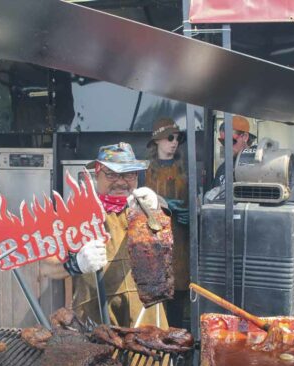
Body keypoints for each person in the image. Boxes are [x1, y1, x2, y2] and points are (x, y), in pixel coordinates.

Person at [40, 142, 169, 329]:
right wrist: (77, 263)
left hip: (146, 318)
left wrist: (155, 205)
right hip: (96, 320)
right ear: (97, 173)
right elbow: (45, 267)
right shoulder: (77, 215)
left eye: (129, 174)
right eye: (112, 174)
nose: (121, 182)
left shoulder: (146, 207)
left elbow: (166, 242)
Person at [144, 117, 190, 328]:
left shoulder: (185, 174)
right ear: (157, 141)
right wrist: (161, 206)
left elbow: (193, 204)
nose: (174, 142)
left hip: (180, 246)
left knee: (177, 305)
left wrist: (191, 216)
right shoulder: (145, 174)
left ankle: (177, 354)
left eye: (177, 138)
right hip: (153, 247)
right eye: (170, 138)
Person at [211, 115, 255, 191]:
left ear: (245, 137)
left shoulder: (258, 164)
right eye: (223, 142)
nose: (227, 146)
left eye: (231, 141)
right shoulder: (222, 169)